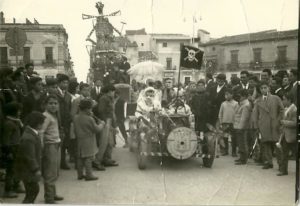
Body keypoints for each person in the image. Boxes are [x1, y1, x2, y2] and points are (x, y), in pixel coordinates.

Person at [15, 111, 45, 204]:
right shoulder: (28, 138)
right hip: (28, 170)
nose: (43, 124)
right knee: (33, 190)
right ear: (37, 123)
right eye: (42, 122)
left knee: (32, 191)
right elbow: (30, 156)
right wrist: (36, 169)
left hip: (28, 170)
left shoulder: (31, 133)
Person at [253, 81, 284, 169]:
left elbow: (282, 110)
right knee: (265, 144)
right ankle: (268, 162)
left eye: (265, 88)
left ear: (269, 88)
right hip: (263, 125)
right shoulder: (258, 101)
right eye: (262, 88)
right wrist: (256, 126)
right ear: (259, 90)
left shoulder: (276, 98)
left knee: (277, 144)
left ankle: (281, 164)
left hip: (274, 124)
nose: (263, 90)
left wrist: (279, 121)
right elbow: (255, 115)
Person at [39, 95, 64, 204]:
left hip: (56, 144)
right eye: (50, 103)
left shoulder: (53, 115)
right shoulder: (46, 116)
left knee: (55, 171)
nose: (53, 105)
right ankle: (49, 197)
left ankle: (52, 194)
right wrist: (42, 147)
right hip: (49, 146)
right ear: (45, 105)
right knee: (50, 172)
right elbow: (41, 132)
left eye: (55, 103)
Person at [73, 99, 104, 181]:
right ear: (87, 109)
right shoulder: (90, 119)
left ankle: (80, 174)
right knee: (89, 158)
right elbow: (97, 129)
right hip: (88, 140)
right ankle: (89, 174)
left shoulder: (76, 117)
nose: (91, 110)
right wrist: (101, 124)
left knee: (80, 158)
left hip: (79, 140)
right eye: (90, 109)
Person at [2, 102, 24, 198]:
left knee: (17, 169)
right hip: (11, 149)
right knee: (10, 170)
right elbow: (5, 140)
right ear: (13, 112)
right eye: (18, 111)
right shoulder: (9, 124)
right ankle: (8, 190)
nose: (20, 112)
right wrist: (8, 152)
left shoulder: (15, 121)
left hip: (17, 148)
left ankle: (16, 185)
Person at [94, 85, 119, 170]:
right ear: (109, 91)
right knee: (104, 143)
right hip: (105, 121)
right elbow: (101, 111)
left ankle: (106, 159)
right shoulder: (104, 98)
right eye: (113, 91)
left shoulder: (109, 98)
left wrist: (113, 124)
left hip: (109, 121)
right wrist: (105, 122)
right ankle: (97, 161)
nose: (113, 93)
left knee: (110, 142)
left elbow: (112, 113)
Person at [277, 92, 297, 176]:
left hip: (292, 136)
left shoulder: (294, 109)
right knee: (284, 153)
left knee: (295, 153)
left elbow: (295, 123)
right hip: (285, 135)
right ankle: (283, 170)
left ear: (289, 100)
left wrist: (284, 122)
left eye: (284, 99)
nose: (283, 101)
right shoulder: (286, 108)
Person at [56, 73, 72, 170]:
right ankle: (57, 163)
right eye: (63, 83)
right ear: (59, 83)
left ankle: (62, 162)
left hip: (66, 121)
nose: (65, 85)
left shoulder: (68, 95)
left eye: (67, 83)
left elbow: (69, 108)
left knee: (65, 142)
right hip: (57, 120)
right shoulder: (54, 93)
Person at [218, 88, 239, 156]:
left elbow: (237, 114)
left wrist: (236, 122)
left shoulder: (236, 103)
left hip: (233, 123)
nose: (226, 96)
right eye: (225, 94)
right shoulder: (223, 104)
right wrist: (221, 122)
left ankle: (233, 152)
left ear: (232, 95)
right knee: (225, 137)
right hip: (225, 123)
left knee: (234, 138)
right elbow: (220, 114)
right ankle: (225, 151)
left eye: (228, 94)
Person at [234, 89, 252, 164]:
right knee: (240, 143)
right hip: (238, 126)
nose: (239, 97)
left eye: (240, 96)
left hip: (242, 127)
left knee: (243, 143)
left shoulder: (246, 105)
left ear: (244, 96)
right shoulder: (242, 103)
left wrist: (240, 128)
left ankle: (243, 159)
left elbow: (244, 118)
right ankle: (241, 157)